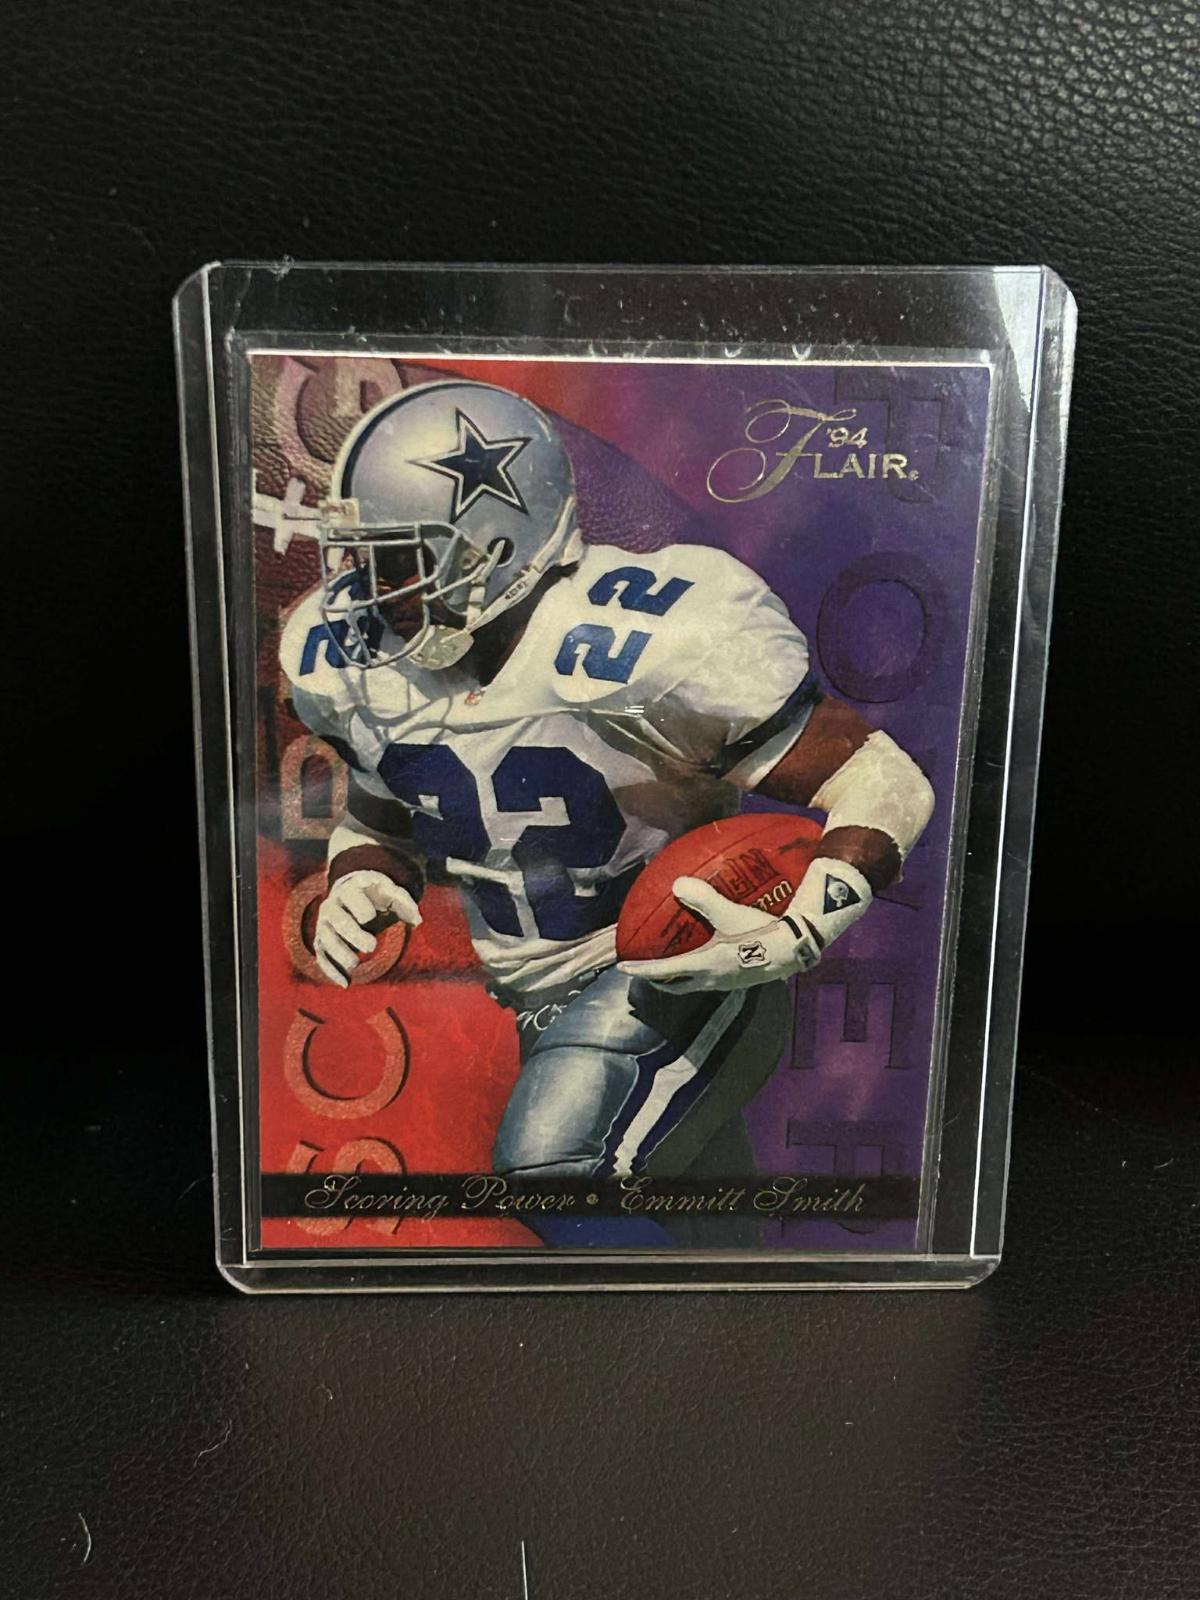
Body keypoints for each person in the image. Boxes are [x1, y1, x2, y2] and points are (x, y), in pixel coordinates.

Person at [277, 379, 933, 1238]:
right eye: (357, 559)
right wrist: (363, 868)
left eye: (397, 561)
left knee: (556, 1168)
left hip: (683, 958)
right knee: (704, 1232)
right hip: (538, 997)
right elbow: (385, 804)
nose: (366, 591)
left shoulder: (637, 642)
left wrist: (807, 923)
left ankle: (621, 1333)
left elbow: (882, 780)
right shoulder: (358, 668)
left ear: (495, 546)